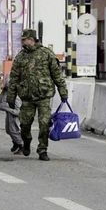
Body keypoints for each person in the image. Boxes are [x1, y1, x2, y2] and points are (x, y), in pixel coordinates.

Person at [6, 28, 69, 161]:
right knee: (24, 125)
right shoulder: (20, 57)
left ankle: (42, 149)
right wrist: (11, 96)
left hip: (44, 96)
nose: (23, 42)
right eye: (22, 40)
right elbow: (14, 78)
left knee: (44, 123)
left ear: (32, 39)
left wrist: (63, 91)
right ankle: (27, 141)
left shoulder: (46, 54)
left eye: (25, 39)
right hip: (27, 97)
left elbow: (57, 75)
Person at [0, 76, 23, 154]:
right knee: (8, 130)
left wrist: (7, 108)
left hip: (13, 114)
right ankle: (16, 142)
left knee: (14, 130)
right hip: (9, 112)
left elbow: (18, 111)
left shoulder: (15, 96)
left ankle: (21, 145)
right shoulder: (5, 92)